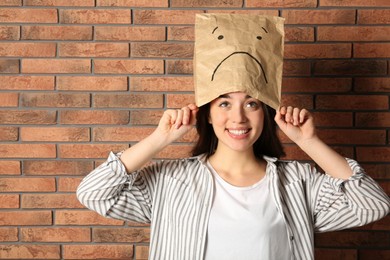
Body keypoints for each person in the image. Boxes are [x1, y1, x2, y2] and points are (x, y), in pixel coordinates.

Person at [77, 92, 390, 260]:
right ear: (208, 114)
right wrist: (160, 139)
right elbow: (93, 193)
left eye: (251, 103)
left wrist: (308, 141)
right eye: (224, 103)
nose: (238, 117)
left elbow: (372, 205)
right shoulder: (170, 182)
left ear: (265, 114)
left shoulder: (297, 182)